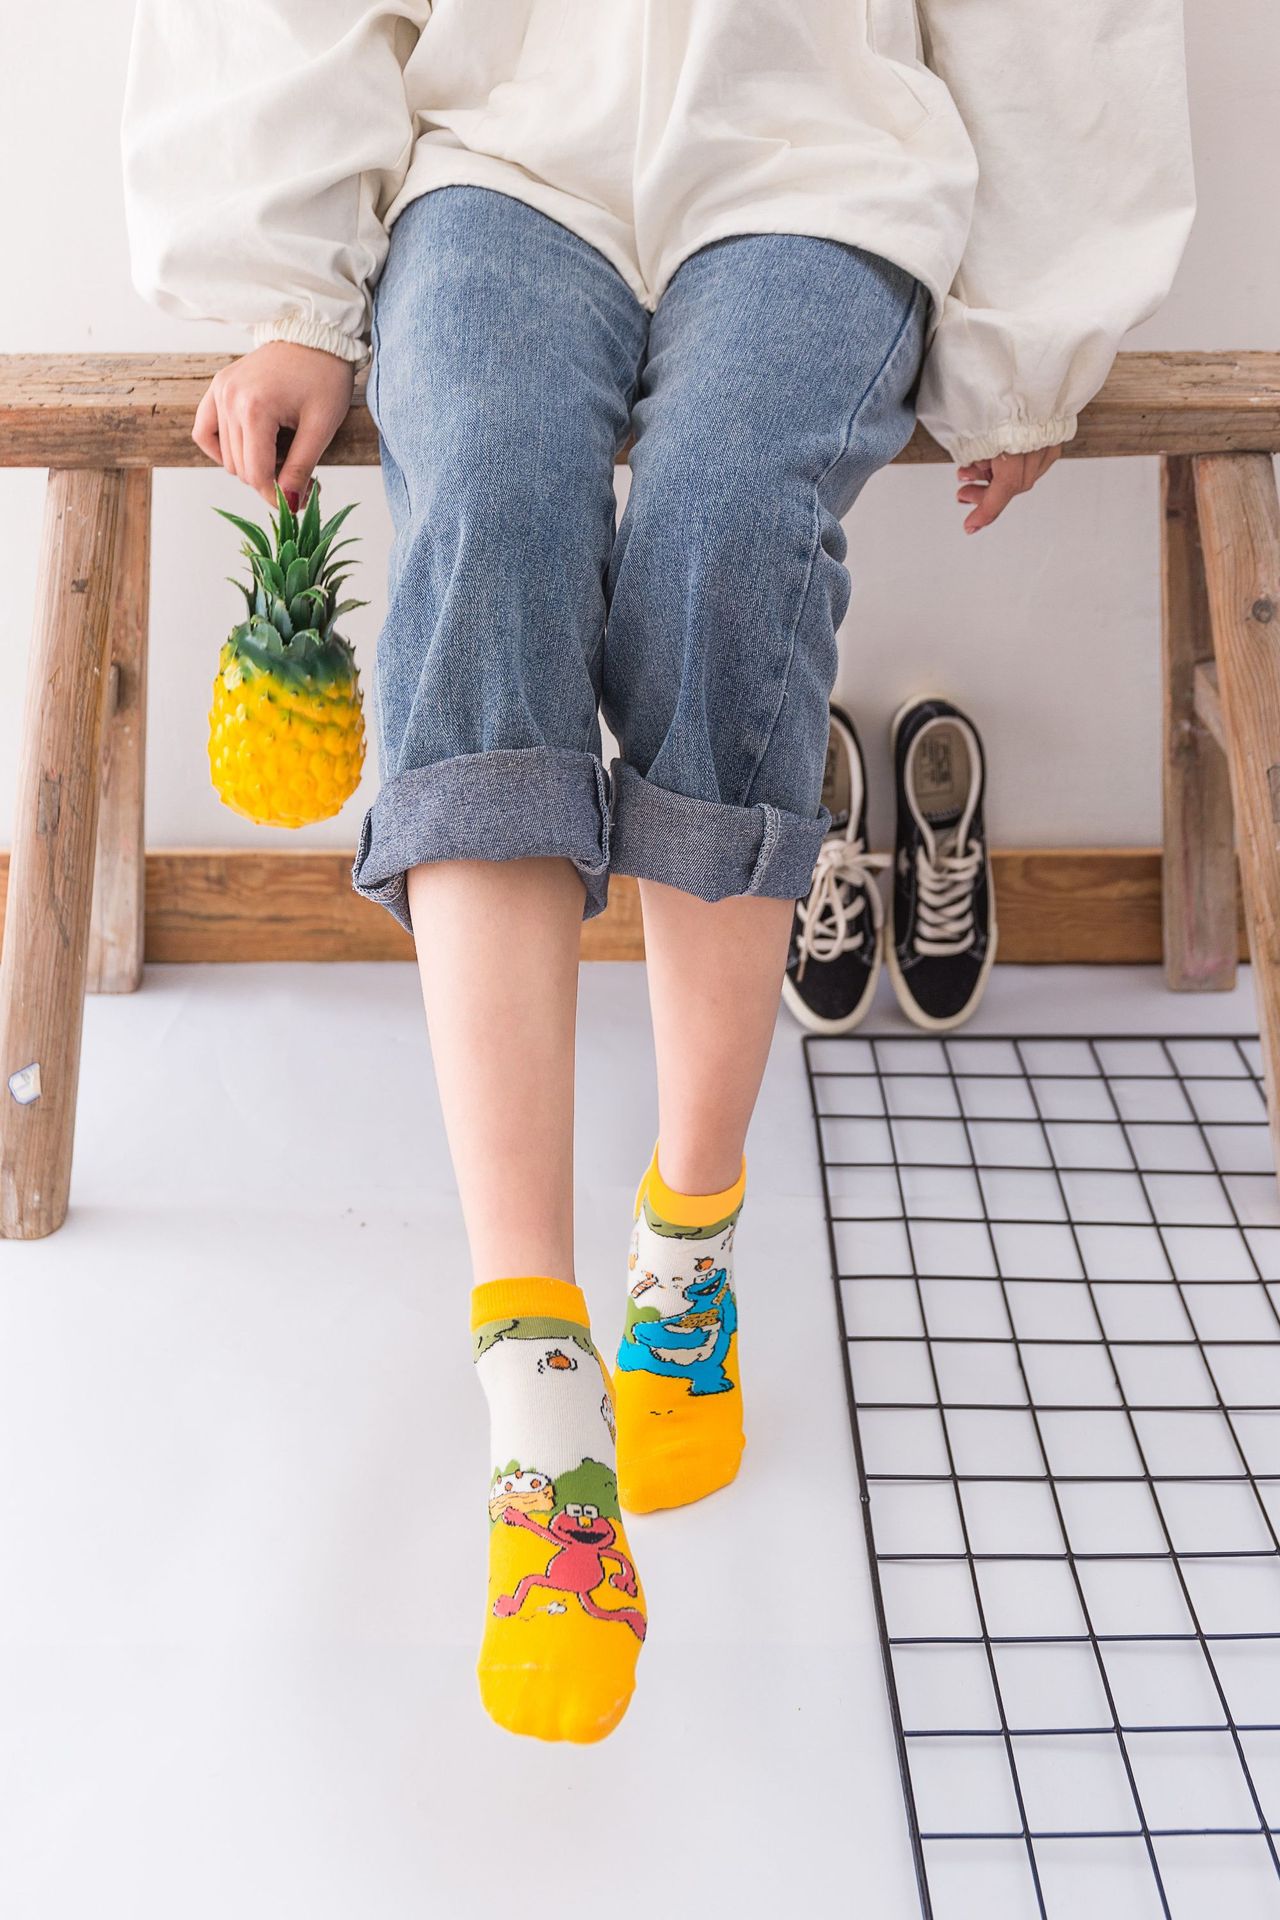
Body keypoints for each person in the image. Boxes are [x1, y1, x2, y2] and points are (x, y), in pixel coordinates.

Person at [122, 0, 1194, 1744]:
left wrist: (1028, 333)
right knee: (487, 517)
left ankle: (687, 1247)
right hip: (507, 150)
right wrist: (292, 299)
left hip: (818, 156)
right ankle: (542, 1397)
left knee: (724, 541)